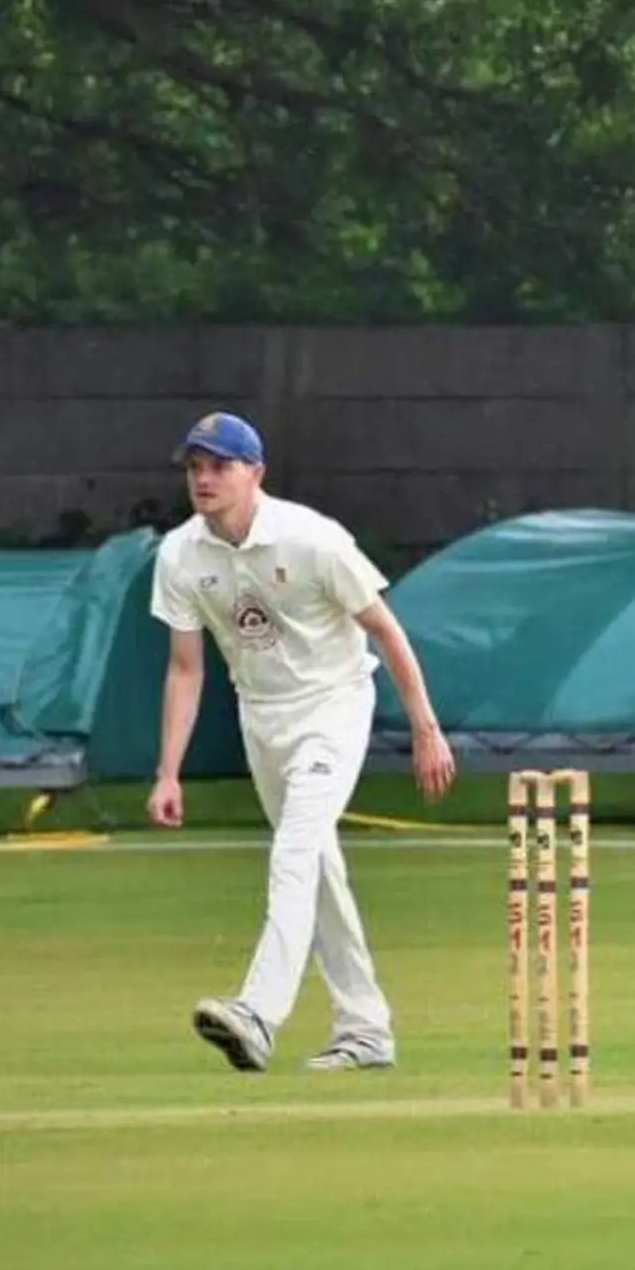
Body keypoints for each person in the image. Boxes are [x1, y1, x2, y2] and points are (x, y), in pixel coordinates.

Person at [145, 411, 456, 1072]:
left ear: (255, 473)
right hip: (263, 716)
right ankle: (366, 1030)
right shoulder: (179, 554)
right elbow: (185, 667)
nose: (203, 480)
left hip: (334, 706)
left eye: (218, 467)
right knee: (317, 871)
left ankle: (259, 1012)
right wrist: (168, 772)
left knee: (293, 852)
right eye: (195, 468)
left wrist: (426, 728)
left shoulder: (313, 540)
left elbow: (386, 630)